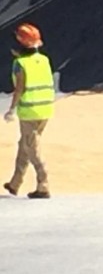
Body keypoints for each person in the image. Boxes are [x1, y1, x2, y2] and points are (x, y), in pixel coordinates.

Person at [3, 23, 55, 199]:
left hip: (29, 111)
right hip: (45, 108)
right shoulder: (44, 60)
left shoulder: (20, 64)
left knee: (32, 147)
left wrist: (11, 109)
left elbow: (20, 88)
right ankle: (15, 182)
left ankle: (43, 183)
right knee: (25, 144)